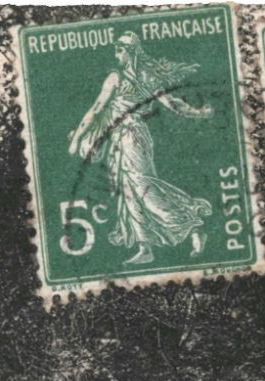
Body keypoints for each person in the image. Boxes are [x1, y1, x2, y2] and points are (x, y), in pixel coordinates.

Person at [68, 33, 214, 266]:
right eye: (116, 50)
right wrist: (78, 137)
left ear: (132, 51)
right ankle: (145, 247)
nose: (117, 55)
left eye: (120, 50)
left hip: (134, 137)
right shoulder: (119, 77)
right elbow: (97, 109)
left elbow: (171, 103)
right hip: (117, 139)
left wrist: (197, 113)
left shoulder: (141, 77)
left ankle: (192, 226)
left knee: (143, 186)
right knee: (128, 191)